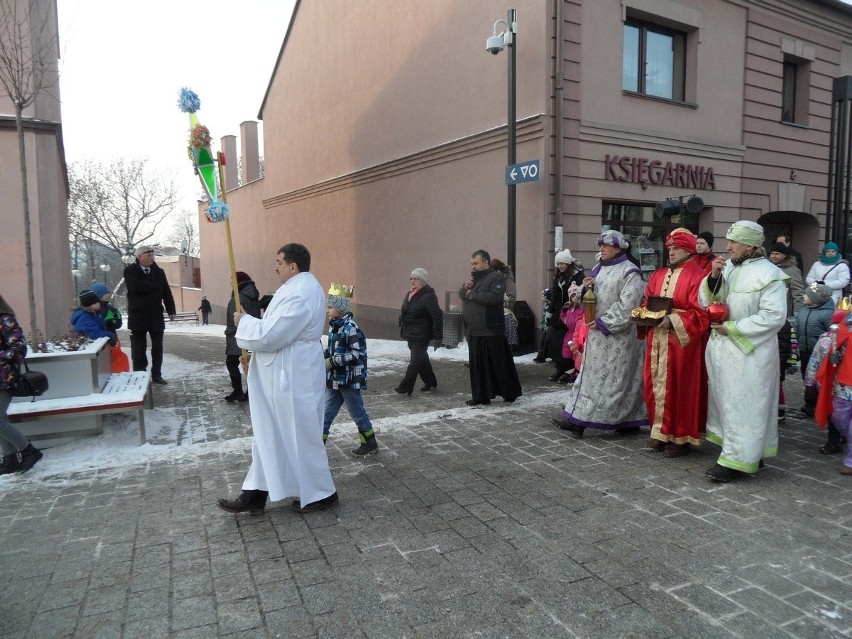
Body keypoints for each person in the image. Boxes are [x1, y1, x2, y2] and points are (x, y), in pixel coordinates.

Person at [217, 243, 337, 515]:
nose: (275, 267)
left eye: (279, 262)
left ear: (293, 266)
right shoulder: (294, 288)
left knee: (300, 433)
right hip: (283, 371)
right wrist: (252, 352)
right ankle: (255, 492)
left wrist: (243, 321)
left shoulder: (301, 292)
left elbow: (272, 334)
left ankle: (322, 491)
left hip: (294, 375)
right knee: (270, 432)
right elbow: (273, 333)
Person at [699, 220, 788, 482]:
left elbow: (774, 317)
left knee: (748, 405)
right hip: (723, 350)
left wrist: (734, 328)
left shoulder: (770, 274)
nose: (728, 248)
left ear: (750, 245)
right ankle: (745, 453)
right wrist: (714, 277)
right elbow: (708, 301)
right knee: (728, 403)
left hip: (751, 352)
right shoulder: (729, 268)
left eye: (733, 243)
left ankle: (737, 461)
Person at [552, 230, 647, 437]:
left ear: (618, 248)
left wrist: (604, 322)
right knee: (590, 378)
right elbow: (588, 297)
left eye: (606, 246)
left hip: (619, 338)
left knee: (619, 381)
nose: (601, 250)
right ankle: (577, 418)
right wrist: (582, 292)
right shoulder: (597, 269)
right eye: (600, 246)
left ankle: (626, 421)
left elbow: (629, 306)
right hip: (596, 336)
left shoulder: (630, 272)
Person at [641, 229, 710, 457]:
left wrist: (673, 319)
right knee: (654, 385)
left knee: (680, 387)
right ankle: (659, 432)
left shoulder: (699, 276)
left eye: (676, 248)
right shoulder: (658, 274)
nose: (671, 252)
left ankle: (681, 437)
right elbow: (647, 301)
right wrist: (643, 314)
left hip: (682, 343)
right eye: (669, 248)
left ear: (688, 249)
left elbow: (702, 313)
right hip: (657, 340)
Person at [459, 249, 522, 406]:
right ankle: (481, 396)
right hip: (474, 329)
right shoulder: (474, 279)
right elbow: (463, 295)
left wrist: (473, 294)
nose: (473, 266)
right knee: (477, 366)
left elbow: (494, 298)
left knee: (498, 363)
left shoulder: (496, 277)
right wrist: (464, 288)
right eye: (471, 263)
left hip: (490, 328)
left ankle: (510, 392)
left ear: (485, 262)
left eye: (476, 263)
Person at [323, 285, 378, 456]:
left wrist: (332, 361)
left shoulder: (350, 328)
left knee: (357, 413)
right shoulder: (335, 327)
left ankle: (370, 443)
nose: (327, 311)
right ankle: (316, 446)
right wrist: (322, 356)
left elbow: (356, 354)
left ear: (340, 308)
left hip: (348, 380)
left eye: (330, 307)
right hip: (334, 380)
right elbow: (332, 350)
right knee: (325, 413)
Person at [0, 294, 43, 475]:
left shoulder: (6, 320)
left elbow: (19, 349)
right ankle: (10, 459)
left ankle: (29, 451)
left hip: (4, 378)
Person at [123, 246, 176, 385]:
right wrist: (152, 286)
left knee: (157, 348)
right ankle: (140, 374)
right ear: (139, 256)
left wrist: (171, 310)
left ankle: (156, 374)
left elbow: (166, 291)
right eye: (148, 255)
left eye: (153, 255)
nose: (152, 258)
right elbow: (135, 287)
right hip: (138, 316)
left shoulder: (159, 272)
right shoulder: (130, 271)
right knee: (139, 348)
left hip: (156, 315)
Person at [811, 312, 852, 475]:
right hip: (843, 384)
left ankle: (850, 461)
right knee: (838, 417)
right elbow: (837, 345)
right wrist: (833, 357)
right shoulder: (845, 323)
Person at [395, 268, 443, 395]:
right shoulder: (410, 294)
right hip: (410, 333)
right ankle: (431, 382)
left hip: (422, 334)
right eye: (411, 278)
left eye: (415, 278)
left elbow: (437, 315)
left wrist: (438, 335)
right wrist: (402, 319)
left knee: (415, 362)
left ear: (422, 281)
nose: (412, 281)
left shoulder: (428, 296)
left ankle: (406, 387)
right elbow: (406, 310)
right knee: (422, 359)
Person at [794, 282, 835, 417]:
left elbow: (832, 335)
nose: (804, 296)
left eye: (807, 294)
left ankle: (821, 403)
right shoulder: (803, 310)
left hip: (820, 355)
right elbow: (797, 328)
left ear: (817, 298)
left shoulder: (828, 314)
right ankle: (810, 404)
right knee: (808, 378)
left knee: (819, 378)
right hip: (805, 351)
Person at [543, 250, 585, 382]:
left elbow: (579, 294)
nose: (560, 266)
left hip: (572, 314)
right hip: (558, 313)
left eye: (562, 264)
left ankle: (568, 370)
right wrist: (549, 313)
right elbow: (555, 294)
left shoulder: (577, 276)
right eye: (558, 264)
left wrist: (573, 304)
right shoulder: (558, 276)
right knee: (552, 341)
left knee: (567, 344)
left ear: (568, 263)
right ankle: (560, 368)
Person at [224, 271, 261, 402]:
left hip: (237, 337)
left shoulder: (237, 298)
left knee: (232, 362)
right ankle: (250, 392)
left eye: (232, 281)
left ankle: (238, 390)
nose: (231, 284)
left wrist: (229, 332)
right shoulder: (254, 297)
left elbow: (232, 319)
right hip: (252, 335)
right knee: (249, 364)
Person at [490, 259, 519, 351]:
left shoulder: (507, 279)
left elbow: (511, 296)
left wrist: (502, 304)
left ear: (498, 270)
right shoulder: (493, 279)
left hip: (504, 310)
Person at [768, 243, 804, 316]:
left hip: (783, 308)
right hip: (767, 307)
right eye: (772, 253)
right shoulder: (767, 267)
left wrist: (797, 312)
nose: (774, 256)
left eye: (777, 254)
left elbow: (798, 292)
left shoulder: (793, 271)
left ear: (784, 255)